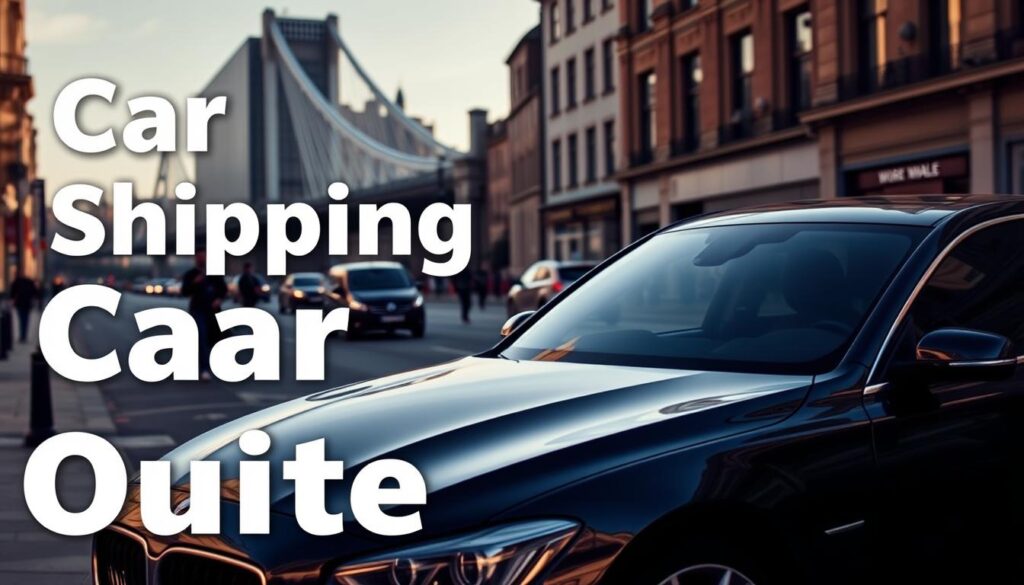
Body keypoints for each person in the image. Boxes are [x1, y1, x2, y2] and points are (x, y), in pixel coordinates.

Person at [181, 250, 227, 380]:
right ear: (196, 258)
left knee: (215, 338)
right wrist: (195, 283)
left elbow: (223, 289)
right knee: (202, 337)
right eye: (199, 257)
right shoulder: (191, 274)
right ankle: (204, 369)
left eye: (204, 256)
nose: (201, 259)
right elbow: (185, 291)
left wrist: (219, 299)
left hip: (213, 311)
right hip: (198, 310)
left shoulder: (215, 274)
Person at [9, 271, 38, 342]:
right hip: (27, 303)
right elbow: (35, 293)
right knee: (26, 319)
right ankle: (24, 335)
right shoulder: (30, 282)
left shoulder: (17, 282)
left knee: (21, 319)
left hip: (20, 303)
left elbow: (12, 293)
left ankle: (22, 336)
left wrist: (12, 300)